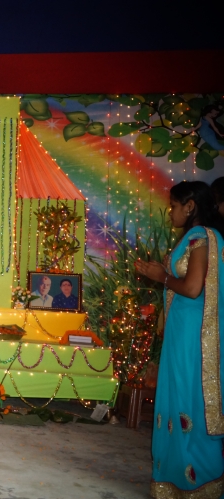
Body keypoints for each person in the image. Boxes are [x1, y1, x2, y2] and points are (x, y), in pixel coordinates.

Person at [135, 181, 224, 497]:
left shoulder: (200, 237)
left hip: (191, 335)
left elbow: (193, 288)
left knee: (188, 399)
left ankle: (197, 484)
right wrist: (162, 274)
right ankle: (176, 481)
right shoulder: (199, 237)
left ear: (190, 206)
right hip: (182, 330)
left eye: (173, 205)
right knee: (179, 397)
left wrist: (162, 277)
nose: (170, 211)